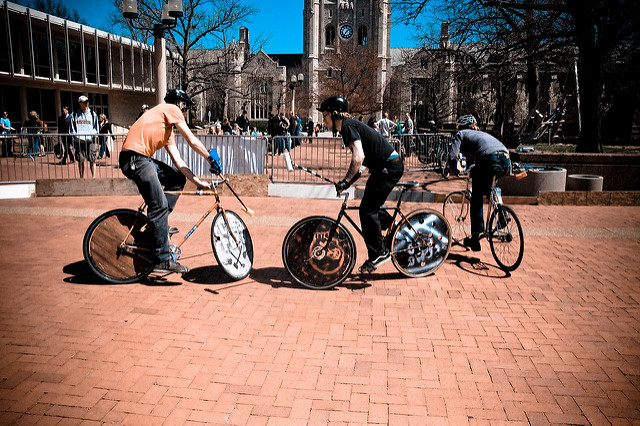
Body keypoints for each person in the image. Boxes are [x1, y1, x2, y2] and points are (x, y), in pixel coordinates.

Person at [119, 88, 221, 274]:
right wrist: (209, 157)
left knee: (177, 178)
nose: (184, 113)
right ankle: (162, 260)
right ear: (180, 104)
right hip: (135, 158)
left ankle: (158, 225)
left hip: (142, 159)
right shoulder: (170, 108)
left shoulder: (167, 130)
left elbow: (179, 163)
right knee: (158, 206)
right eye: (185, 109)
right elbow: (192, 140)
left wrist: (198, 182)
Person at [318, 96, 404, 273]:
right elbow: (363, 166)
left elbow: (359, 158)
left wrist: (345, 181)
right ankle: (392, 227)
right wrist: (348, 182)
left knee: (367, 210)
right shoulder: (348, 127)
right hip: (386, 167)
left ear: (335, 114)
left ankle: (378, 253)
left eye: (325, 116)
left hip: (388, 168)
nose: (323, 121)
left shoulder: (348, 126)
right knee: (368, 207)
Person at [447, 114, 511, 252]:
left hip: (488, 157)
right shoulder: (479, 135)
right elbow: (472, 161)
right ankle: (501, 211)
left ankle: (476, 236)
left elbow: (452, 156)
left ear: (461, 127)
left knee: (476, 195)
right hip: (505, 157)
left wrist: (452, 169)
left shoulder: (461, 134)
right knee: (492, 186)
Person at [70, 95, 99, 178]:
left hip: (90, 140)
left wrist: (95, 138)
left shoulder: (93, 114)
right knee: (80, 160)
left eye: (87, 101)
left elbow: (95, 127)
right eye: (84, 102)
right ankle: (81, 177)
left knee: (92, 160)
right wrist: (75, 137)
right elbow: (72, 129)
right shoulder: (74, 114)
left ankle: (94, 177)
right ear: (80, 103)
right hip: (79, 141)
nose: (86, 103)